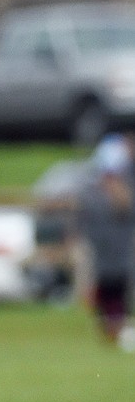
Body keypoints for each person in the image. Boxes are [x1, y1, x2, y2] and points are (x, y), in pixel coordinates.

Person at [76, 132, 135, 350]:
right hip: (101, 253)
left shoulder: (125, 191)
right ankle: (110, 330)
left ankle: (120, 328)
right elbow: (84, 221)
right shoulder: (91, 193)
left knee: (120, 290)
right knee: (105, 291)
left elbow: (126, 211)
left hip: (122, 253)